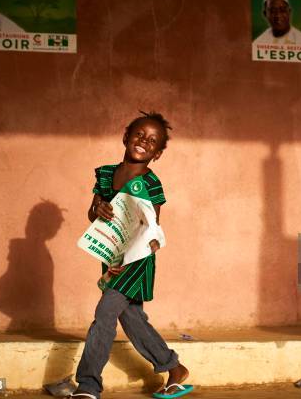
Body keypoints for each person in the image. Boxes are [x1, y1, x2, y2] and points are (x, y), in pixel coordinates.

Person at [70, 112, 192, 399]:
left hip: (136, 261)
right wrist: (97, 210)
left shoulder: (151, 184)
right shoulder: (105, 174)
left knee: (104, 314)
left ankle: (87, 386)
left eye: (152, 141)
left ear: (158, 153)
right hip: (113, 256)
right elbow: (94, 213)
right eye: (139, 135)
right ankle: (173, 367)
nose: (143, 142)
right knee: (132, 318)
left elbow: (152, 228)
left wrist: (135, 256)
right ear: (126, 136)